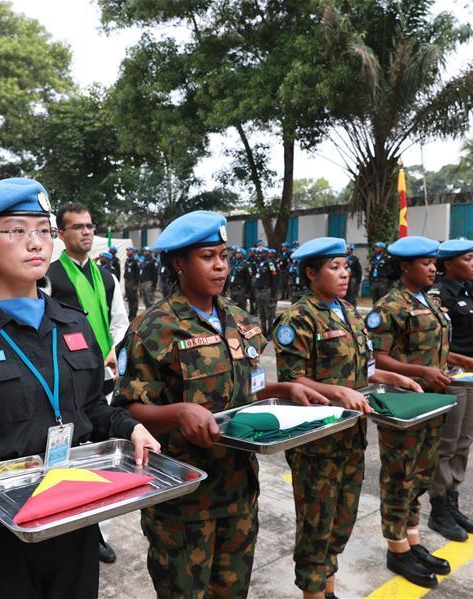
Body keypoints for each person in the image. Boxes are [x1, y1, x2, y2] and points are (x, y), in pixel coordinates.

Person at [0, 177, 159, 599]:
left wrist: (128, 427)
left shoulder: (73, 325)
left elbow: (93, 407)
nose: (35, 243)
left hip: (73, 525)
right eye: (16, 230)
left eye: (43, 230)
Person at [113, 211, 328, 599]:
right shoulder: (152, 327)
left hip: (239, 491)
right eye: (208, 256)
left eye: (224, 256)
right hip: (183, 499)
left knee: (233, 591)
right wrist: (178, 413)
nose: (220, 266)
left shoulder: (240, 319)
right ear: (179, 263)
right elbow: (127, 411)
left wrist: (284, 389)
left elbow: (247, 390)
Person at [273, 237, 421, 599]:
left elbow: (364, 371)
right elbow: (292, 380)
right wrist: (337, 392)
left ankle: (328, 587)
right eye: (334, 268)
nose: (344, 275)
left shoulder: (350, 312)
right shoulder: (298, 318)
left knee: (342, 520)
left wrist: (393, 376)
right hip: (316, 442)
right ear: (311, 273)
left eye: (345, 267)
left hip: (352, 436)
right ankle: (312, 593)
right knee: (316, 525)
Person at [366, 236, 473, 589]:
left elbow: (436, 350)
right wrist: (421, 372)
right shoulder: (389, 307)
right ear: (405, 267)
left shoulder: (430, 301)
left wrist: (461, 360)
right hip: (403, 402)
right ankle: (396, 547)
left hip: (433, 400)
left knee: (420, 474)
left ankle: (413, 540)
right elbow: (378, 359)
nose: (433, 268)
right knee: (399, 475)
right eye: (425, 263)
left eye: (434, 263)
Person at [45, 201, 129, 562]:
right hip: (67, 384)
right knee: (69, 456)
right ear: (61, 234)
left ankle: (98, 534)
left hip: (104, 382)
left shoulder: (107, 277)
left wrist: (114, 349)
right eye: (77, 226)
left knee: (102, 459)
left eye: (90, 226)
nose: (86, 232)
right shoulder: (49, 275)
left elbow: (119, 321)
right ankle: (66, 526)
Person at [427, 239, 473, 542]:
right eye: (468, 258)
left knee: (465, 440)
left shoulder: (467, 293)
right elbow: (434, 345)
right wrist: (462, 360)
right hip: (451, 377)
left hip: (472, 377)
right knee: (447, 442)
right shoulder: (440, 297)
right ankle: (438, 507)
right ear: (449, 265)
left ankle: (453, 501)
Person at [254, 247, 278, 336]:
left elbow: (274, 279)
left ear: (266, 253)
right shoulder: (260, 263)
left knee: (269, 313)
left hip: (266, 291)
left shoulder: (270, 263)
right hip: (259, 291)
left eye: (262, 253)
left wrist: (273, 294)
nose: (260, 255)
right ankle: (263, 330)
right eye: (259, 253)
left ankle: (270, 331)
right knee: (261, 313)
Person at [123, 247, 141, 320]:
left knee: (134, 299)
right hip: (127, 281)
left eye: (128, 251)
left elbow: (137, 274)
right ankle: (130, 314)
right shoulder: (127, 260)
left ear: (132, 252)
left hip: (132, 281)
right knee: (129, 299)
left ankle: (134, 315)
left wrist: (136, 284)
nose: (127, 252)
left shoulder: (136, 261)